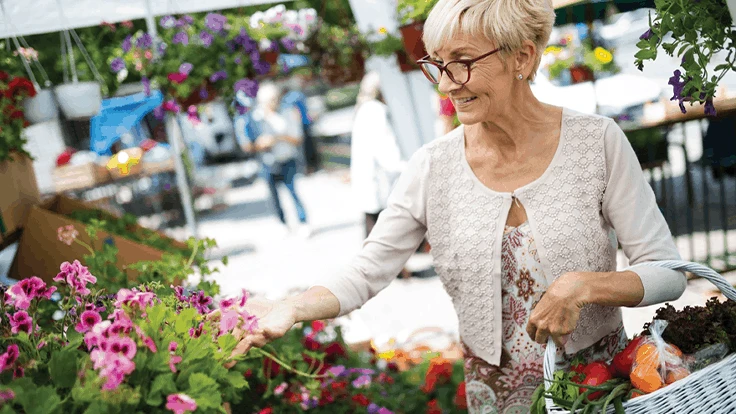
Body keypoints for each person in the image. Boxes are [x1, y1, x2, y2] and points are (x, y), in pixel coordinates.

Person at [215, 0, 686, 411]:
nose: (445, 85)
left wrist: (583, 286)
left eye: (461, 62)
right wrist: (292, 307)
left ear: (521, 56)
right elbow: (368, 269)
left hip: (602, 388)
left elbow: (667, 271)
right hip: (495, 398)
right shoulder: (432, 167)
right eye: (437, 64)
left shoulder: (596, 142)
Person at [250, 82, 311, 237]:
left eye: (275, 99)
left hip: (287, 158)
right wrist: (261, 144)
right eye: (270, 100)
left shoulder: (287, 112)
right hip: (268, 162)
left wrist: (277, 138)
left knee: (293, 192)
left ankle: (303, 221)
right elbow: (249, 144)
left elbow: (298, 138)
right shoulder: (255, 117)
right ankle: (282, 223)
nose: (274, 103)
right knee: (274, 196)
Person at [349, 71, 406, 238]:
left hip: (370, 180)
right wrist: (404, 166)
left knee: (374, 229)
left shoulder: (363, 109)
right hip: (378, 179)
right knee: (382, 232)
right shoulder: (375, 110)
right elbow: (385, 148)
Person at [282, 71, 320, 174]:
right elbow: (301, 112)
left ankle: (306, 168)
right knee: (308, 148)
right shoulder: (298, 95)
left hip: (296, 126)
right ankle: (311, 167)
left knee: (302, 149)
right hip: (304, 124)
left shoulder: (286, 98)